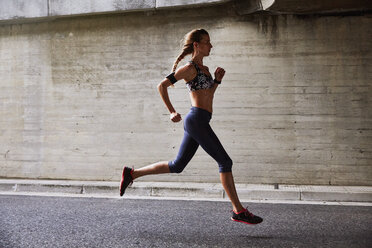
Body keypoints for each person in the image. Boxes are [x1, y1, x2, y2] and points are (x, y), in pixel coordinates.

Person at [120, 29, 263, 225]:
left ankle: (132, 173)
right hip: (195, 120)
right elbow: (161, 86)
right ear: (196, 45)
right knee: (225, 162)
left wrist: (217, 81)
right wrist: (171, 111)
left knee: (178, 165)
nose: (210, 46)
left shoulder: (205, 70)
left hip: (201, 120)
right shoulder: (189, 68)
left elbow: (208, 96)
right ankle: (238, 210)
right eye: (207, 42)